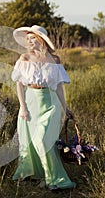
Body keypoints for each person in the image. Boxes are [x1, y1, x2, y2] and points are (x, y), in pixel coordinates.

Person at [11, 25, 76, 190]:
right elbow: (19, 85)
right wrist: (23, 107)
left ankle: (53, 179)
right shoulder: (24, 58)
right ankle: (38, 175)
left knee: (43, 140)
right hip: (31, 102)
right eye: (28, 39)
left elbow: (60, 87)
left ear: (42, 40)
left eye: (33, 38)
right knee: (30, 141)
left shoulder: (55, 60)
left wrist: (65, 108)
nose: (30, 42)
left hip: (50, 103)